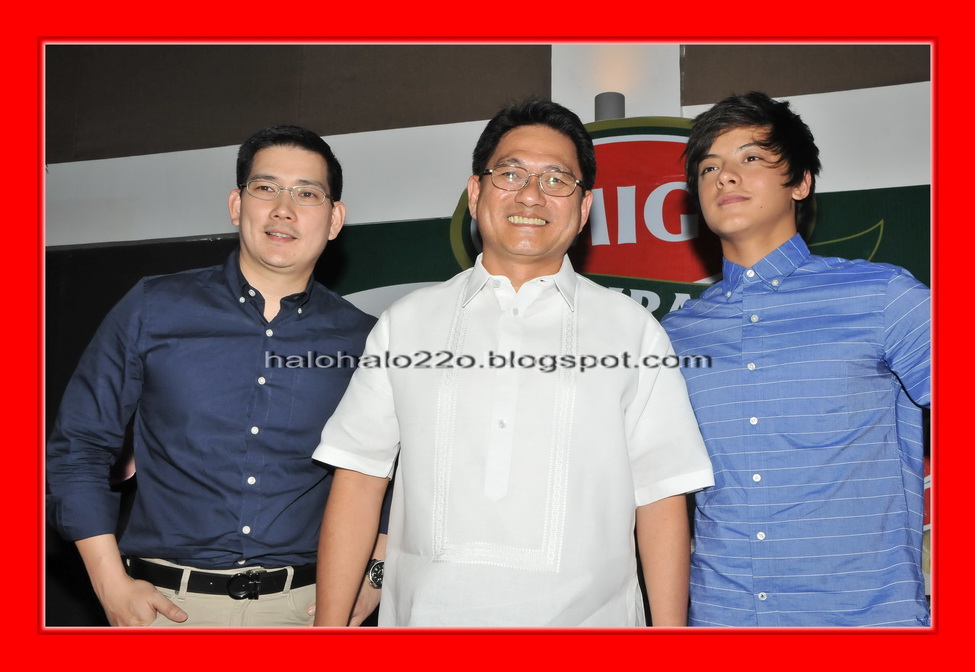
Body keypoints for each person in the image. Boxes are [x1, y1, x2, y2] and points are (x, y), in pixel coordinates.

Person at [311, 100, 714, 627]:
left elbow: (660, 496)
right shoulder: (405, 324)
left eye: (556, 179)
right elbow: (359, 479)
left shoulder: (633, 332)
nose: (530, 194)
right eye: (510, 173)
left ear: (584, 207)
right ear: (476, 192)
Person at [47, 125, 387, 627]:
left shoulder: (366, 339)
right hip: (164, 613)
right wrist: (108, 582)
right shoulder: (153, 307)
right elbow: (79, 447)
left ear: (334, 219)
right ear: (236, 204)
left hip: (308, 614)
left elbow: (398, 475)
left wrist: (374, 578)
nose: (283, 209)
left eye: (307, 193)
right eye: (266, 187)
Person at [661, 92, 931, 627]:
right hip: (723, 627)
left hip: (867, 628)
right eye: (709, 167)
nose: (725, 176)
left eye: (751, 158)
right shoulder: (674, 336)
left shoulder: (882, 297)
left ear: (801, 182)